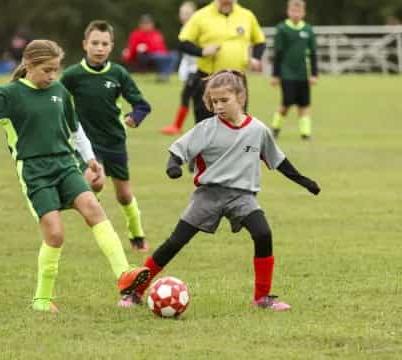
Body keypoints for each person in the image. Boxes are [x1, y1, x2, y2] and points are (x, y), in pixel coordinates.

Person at [0, 39, 149, 313]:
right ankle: (42, 299)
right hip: (35, 172)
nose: (52, 76)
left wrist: (91, 159)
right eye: (46, 70)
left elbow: (75, 128)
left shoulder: (59, 90)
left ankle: (124, 275)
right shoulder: (10, 94)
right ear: (29, 65)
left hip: (65, 164)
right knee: (56, 235)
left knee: (93, 209)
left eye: (55, 70)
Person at [118, 70, 321, 310]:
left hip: (242, 196)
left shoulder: (257, 130)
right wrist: (173, 166)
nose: (218, 106)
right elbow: (177, 151)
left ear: (241, 97)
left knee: (263, 234)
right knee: (176, 241)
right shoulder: (207, 128)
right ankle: (135, 291)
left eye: (224, 100)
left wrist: (304, 181)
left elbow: (278, 160)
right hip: (209, 194)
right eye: (214, 101)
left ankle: (262, 298)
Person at [61, 20, 151, 253]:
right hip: (86, 143)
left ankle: (137, 235)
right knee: (94, 182)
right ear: (85, 45)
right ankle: (105, 232)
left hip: (114, 141)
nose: (99, 48)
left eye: (104, 43)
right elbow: (56, 99)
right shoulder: (73, 75)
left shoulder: (118, 73)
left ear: (111, 46)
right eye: (94, 43)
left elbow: (142, 105)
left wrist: (135, 117)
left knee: (124, 195)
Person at [178, 0, 266, 124]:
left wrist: (256, 58)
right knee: (206, 124)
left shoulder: (247, 15)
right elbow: (183, 42)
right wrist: (202, 51)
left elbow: (260, 41)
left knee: (238, 123)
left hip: (237, 79)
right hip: (208, 77)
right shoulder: (201, 15)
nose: (227, 3)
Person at [271, 0, 318, 140]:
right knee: (286, 104)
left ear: (303, 12)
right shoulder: (282, 29)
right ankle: (275, 128)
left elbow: (313, 53)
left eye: (299, 11)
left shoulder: (308, 30)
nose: (296, 14)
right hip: (287, 74)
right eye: (293, 11)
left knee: (304, 105)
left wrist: (314, 74)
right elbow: (278, 54)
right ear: (288, 12)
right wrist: (275, 75)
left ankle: (305, 134)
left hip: (303, 74)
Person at [160, 1, 198, 135]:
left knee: (189, 97)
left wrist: (194, 68)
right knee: (188, 97)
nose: (184, 16)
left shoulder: (196, 28)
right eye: (182, 13)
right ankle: (178, 126)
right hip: (191, 69)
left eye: (187, 13)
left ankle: (177, 126)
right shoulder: (185, 28)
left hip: (198, 70)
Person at [122, 14, 178, 82]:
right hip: (146, 57)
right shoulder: (136, 35)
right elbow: (131, 50)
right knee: (159, 56)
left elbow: (163, 48)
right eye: (144, 23)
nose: (147, 25)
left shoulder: (157, 34)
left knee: (174, 55)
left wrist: (165, 54)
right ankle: (163, 75)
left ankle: (164, 75)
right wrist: (127, 57)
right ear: (140, 24)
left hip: (159, 56)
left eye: (148, 23)